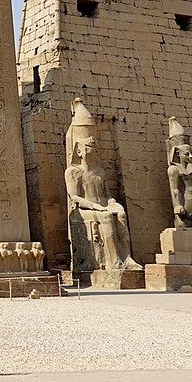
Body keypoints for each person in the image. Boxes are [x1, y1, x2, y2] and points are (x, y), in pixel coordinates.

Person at [64, 98, 141, 271]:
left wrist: (111, 202)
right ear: (79, 151)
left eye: (94, 146)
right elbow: (74, 197)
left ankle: (127, 257)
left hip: (102, 204)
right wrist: (96, 207)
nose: (94, 149)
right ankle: (114, 260)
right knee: (106, 217)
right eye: (89, 147)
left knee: (120, 214)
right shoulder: (73, 172)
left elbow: (107, 194)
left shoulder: (99, 171)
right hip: (83, 210)